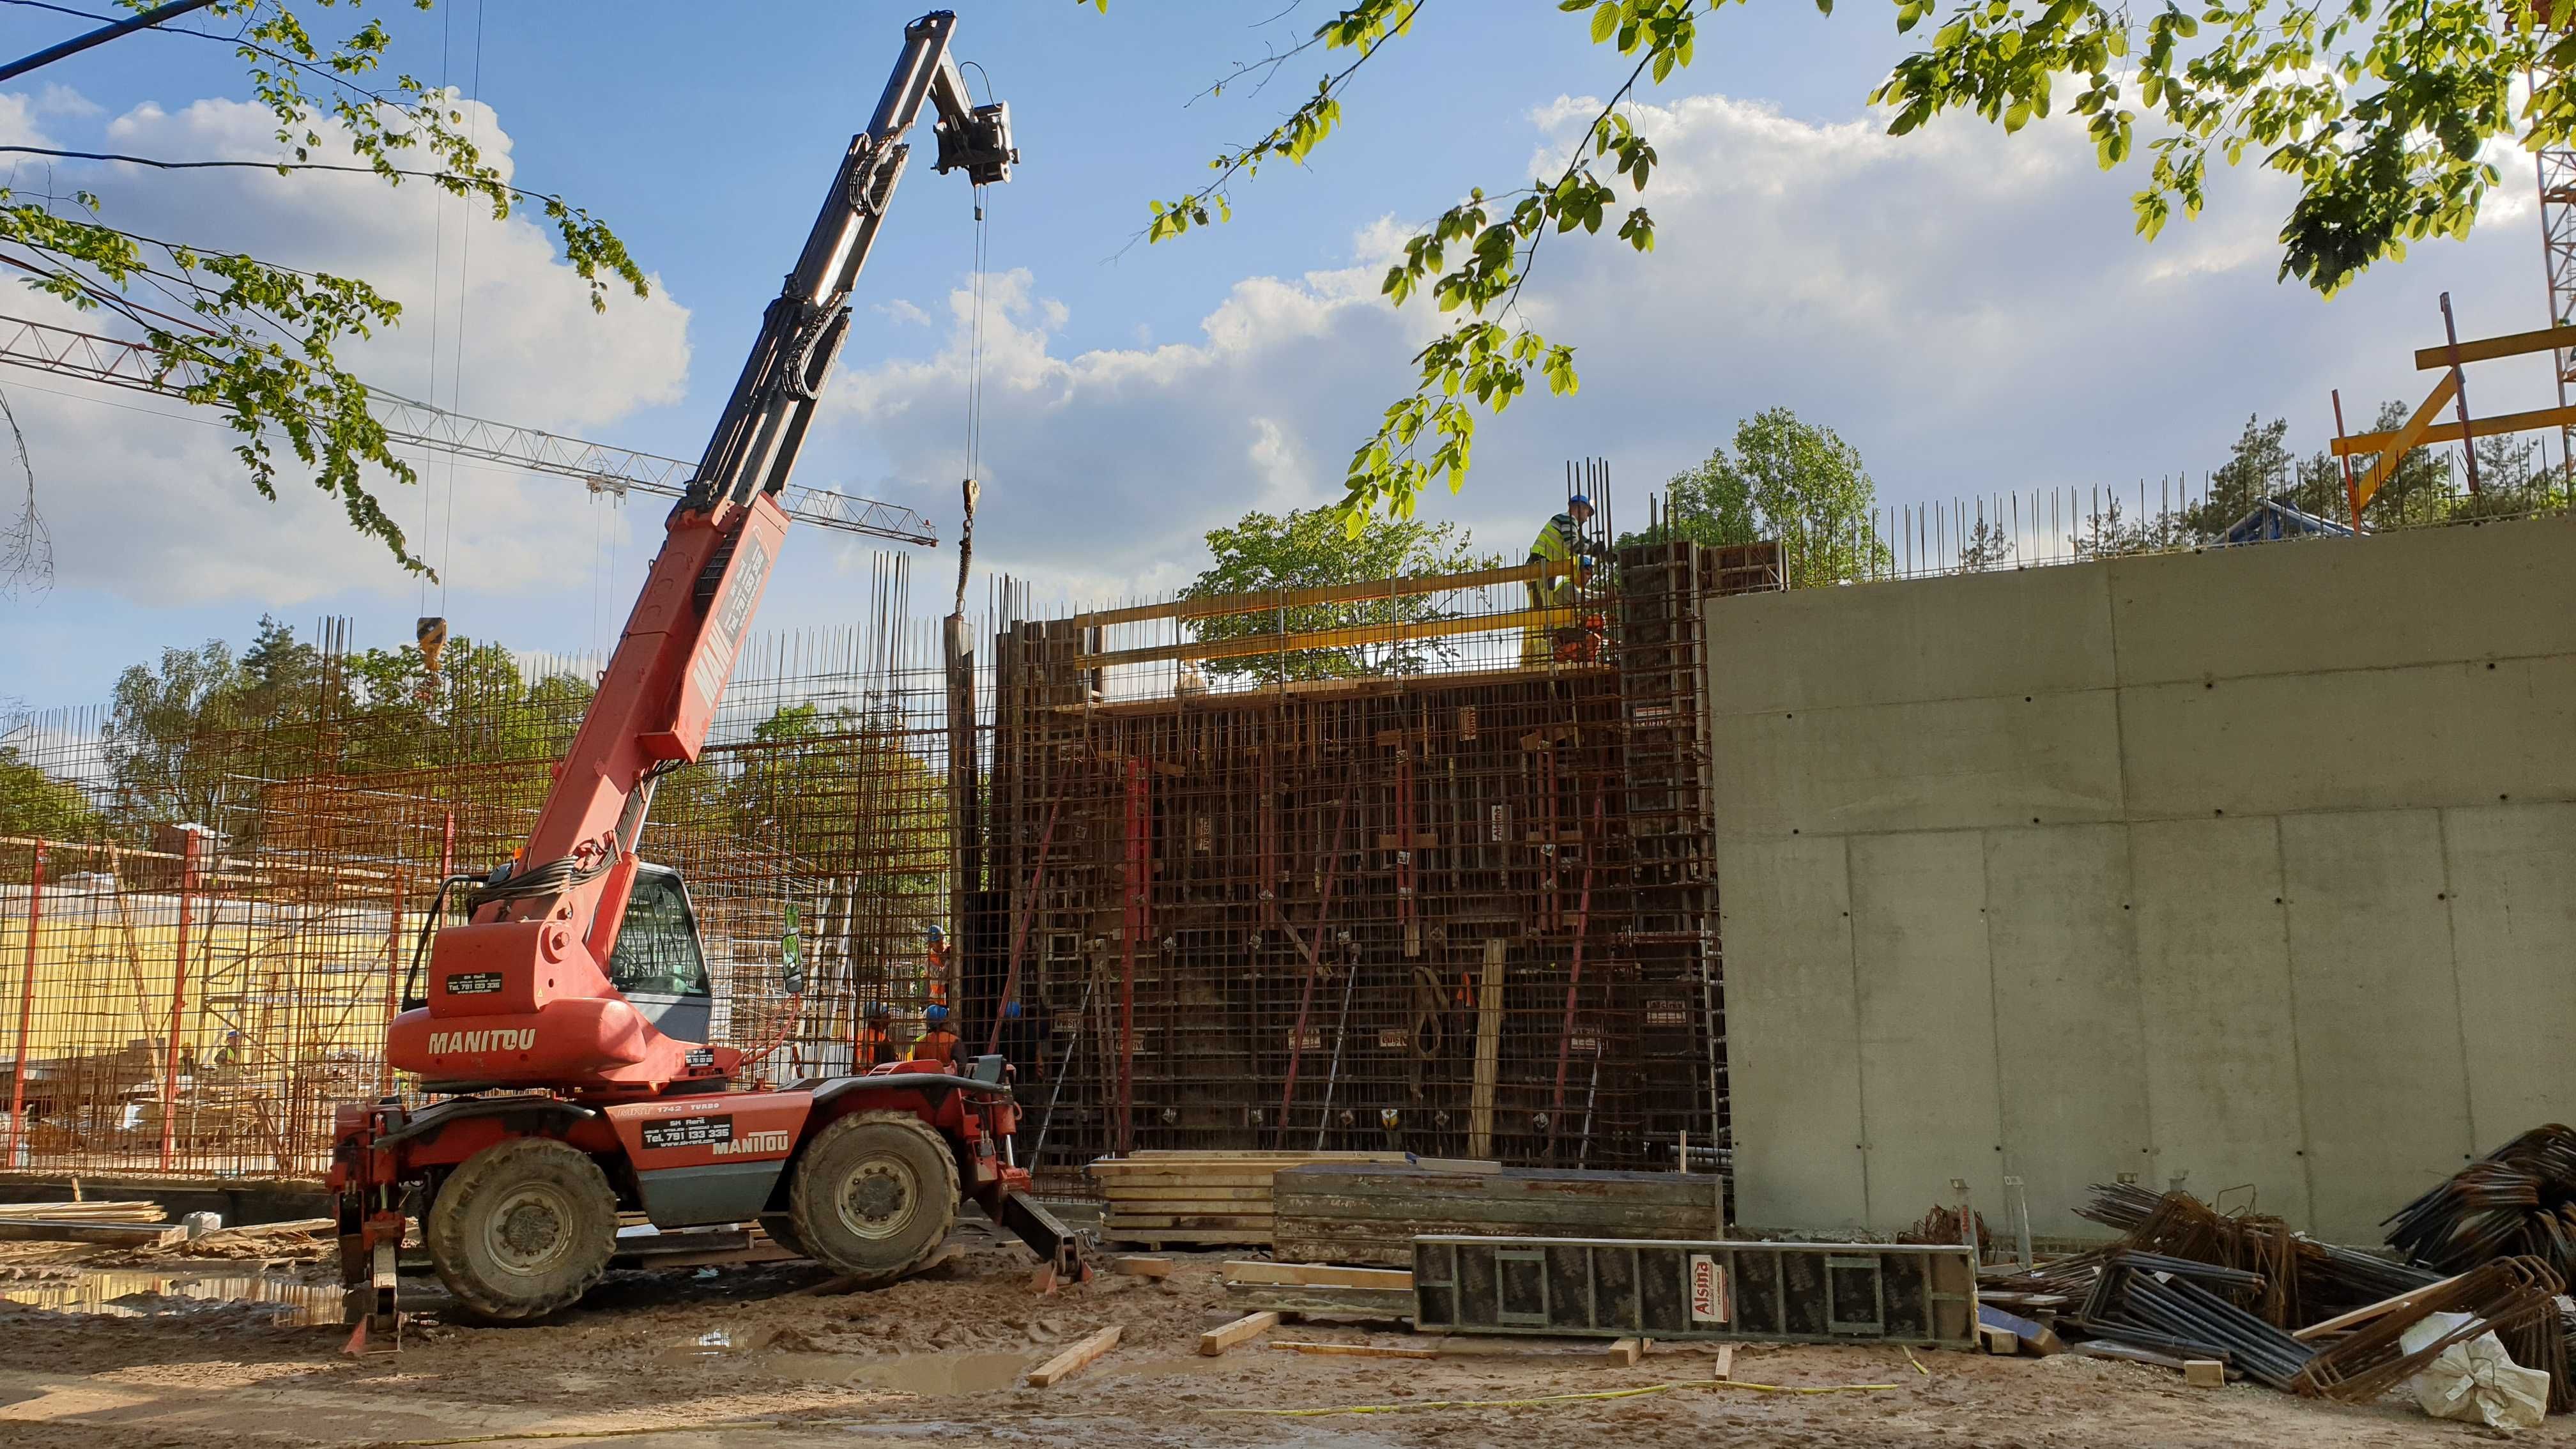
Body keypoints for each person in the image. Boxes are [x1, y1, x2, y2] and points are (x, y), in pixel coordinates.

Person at [1523, 493, 1595, 666]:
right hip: (1538, 569)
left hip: (1546, 572)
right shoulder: (1567, 520)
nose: (1587, 518)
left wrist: (1602, 551)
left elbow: (1583, 544)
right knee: (1541, 616)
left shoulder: (1572, 527)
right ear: (1579, 508)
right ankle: (1541, 661)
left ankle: (1543, 658)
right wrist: (1595, 549)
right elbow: (1575, 545)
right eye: (1587, 512)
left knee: (1544, 615)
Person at [912, 1004, 961, 1069]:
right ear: (945, 1020)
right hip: (948, 1078)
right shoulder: (954, 1041)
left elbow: (916, 1067)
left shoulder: (920, 1043)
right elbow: (962, 1067)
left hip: (926, 1078)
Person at [854, 1002, 896, 1071]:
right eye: (884, 1013)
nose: (889, 1015)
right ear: (876, 1019)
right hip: (876, 1079)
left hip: (860, 1078)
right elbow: (890, 1069)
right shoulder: (883, 1040)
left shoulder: (859, 1036)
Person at [923, 924, 951, 1008]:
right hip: (937, 1003)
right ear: (931, 944)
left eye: (942, 939)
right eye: (938, 941)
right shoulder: (929, 961)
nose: (941, 942)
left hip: (951, 1000)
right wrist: (949, 962)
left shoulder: (948, 952)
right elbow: (941, 976)